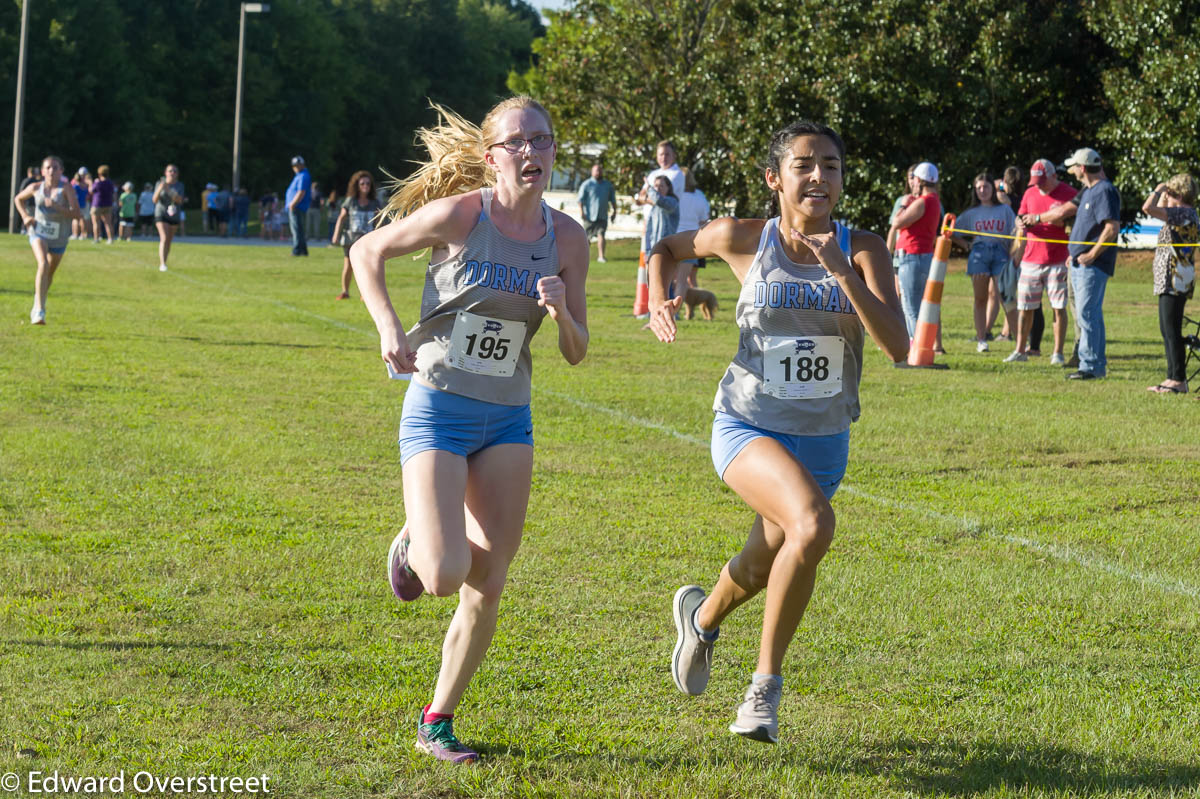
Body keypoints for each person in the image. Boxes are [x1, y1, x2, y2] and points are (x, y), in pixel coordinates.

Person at [645, 121, 907, 745]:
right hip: (747, 423)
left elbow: (898, 345)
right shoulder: (742, 237)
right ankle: (764, 692)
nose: (819, 176)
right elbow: (667, 249)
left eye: (832, 166)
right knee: (812, 525)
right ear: (775, 178)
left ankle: (702, 619)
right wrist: (661, 295)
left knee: (765, 561)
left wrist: (844, 271)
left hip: (823, 436)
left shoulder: (864, 245)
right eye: (804, 164)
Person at [350, 97, 588, 763]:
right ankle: (413, 546)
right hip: (439, 404)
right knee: (449, 571)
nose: (533, 151)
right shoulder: (464, 214)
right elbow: (368, 249)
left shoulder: (568, 238)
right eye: (518, 141)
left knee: (492, 577)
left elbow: (577, 348)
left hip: (508, 416)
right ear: (493, 157)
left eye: (542, 139)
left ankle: (438, 718)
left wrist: (564, 312)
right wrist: (388, 327)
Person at [1059, 148, 1120, 380]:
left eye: (1074, 166)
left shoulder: (1104, 191)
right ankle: (1091, 363)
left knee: (1087, 312)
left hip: (1092, 265)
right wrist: (1074, 254)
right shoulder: (1088, 191)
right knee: (1085, 313)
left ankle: (1092, 366)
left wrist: (1092, 254)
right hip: (1078, 263)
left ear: (1082, 168)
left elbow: (1111, 228)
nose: (1072, 170)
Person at [1007, 159, 1077, 364]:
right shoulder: (1030, 193)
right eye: (1036, 181)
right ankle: (1020, 350)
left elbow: (1074, 221)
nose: (1039, 185)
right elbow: (1020, 215)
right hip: (1031, 257)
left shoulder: (1069, 193)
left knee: (1058, 306)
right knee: (1025, 306)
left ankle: (1057, 352)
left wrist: (1051, 220)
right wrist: (1019, 221)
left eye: (1043, 181)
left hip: (1058, 258)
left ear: (1054, 176)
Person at [951, 172, 1024, 352]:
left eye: (986, 187)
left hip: (1001, 254)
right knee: (980, 298)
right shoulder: (971, 213)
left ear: (993, 188)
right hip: (979, 254)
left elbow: (1016, 233)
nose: (983, 191)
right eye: (979, 188)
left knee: (1006, 298)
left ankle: (1020, 344)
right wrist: (966, 245)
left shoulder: (1005, 210)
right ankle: (981, 339)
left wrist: (1014, 251)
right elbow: (952, 231)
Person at [1144, 174, 1198, 394]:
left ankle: (1179, 379)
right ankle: (1171, 376)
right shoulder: (1181, 214)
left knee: (1172, 329)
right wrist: (1166, 198)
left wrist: (1158, 190)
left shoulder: (1182, 213)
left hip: (1175, 279)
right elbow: (1159, 210)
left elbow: (1147, 208)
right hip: (1173, 278)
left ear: (1176, 193)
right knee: (1167, 329)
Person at [13, 155, 82, 325]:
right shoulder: (36, 187)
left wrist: (58, 207)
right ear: (43, 171)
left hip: (59, 238)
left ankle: (38, 297)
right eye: (48, 167)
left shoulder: (66, 189)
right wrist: (25, 216)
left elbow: (77, 214)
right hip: (38, 232)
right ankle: (40, 310)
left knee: (49, 272)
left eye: (55, 167)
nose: (51, 170)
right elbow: (18, 199)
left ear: (61, 171)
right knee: (43, 264)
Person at [888, 161, 942, 349]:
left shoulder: (922, 202)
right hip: (922, 256)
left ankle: (916, 347)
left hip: (912, 256)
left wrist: (903, 204)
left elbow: (897, 222)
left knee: (911, 308)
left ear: (919, 180)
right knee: (919, 305)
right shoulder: (935, 200)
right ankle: (922, 346)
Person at [331, 170, 382, 299]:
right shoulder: (350, 201)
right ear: (357, 186)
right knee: (348, 266)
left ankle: (364, 294)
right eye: (362, 183)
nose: (365, 186)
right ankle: (345, 291)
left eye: (368, 184)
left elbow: (378, 221)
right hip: (351, 239)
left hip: (367, 240)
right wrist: (336, 235)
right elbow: (342, 217)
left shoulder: (374, 203)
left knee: (366, 267)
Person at [638, 174, 679, 294]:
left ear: (668, 188)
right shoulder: (654, 208)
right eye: (656, 186)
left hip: (667, 250)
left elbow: (658, 200)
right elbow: (649, 232)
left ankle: (671, 312)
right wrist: (647, 251)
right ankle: (655, 312)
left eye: (661, 185)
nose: (658, 188)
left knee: (665, 285)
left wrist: (648, 186)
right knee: (653, 285)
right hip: (654, 250)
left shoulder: (672, 202)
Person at [677, 167, 712, 289]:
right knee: (688, 279)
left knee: (674, 279)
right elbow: (704, 219)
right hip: (694, 240)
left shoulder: (675, 195)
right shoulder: (699, 195)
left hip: (674, 238)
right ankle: (691, 306)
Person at [576, 163, 617, 262]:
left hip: (602, 216)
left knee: (601, 235)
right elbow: (580, 200)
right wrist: (582, 212)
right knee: (586, 238)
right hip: (589, 216)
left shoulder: (607, 185)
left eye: (599, 170)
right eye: (596, 170)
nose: (598, 172)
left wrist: (615, 212)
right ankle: (583, 257)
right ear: (592, 172)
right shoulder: (586, 184)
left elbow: (613, 200)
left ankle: (601, 257)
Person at [153, 164, 187, 272]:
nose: (172, 173)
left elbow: (179, 200)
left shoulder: (180, 185)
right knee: (164, 237)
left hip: (174, 214)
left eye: (174, 171)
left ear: (177, 174)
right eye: (170, 171)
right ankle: (162, 264)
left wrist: (168, 190)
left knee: (169, 240)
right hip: (161, 213)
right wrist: (160, 188)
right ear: (165, 173)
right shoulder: (159, 183)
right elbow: (154, 200)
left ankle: (165, 262)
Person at [286, 156, 312, 256]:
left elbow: (301, 191)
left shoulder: (303, 176)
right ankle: (303, 250)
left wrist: (293, 204)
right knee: (299, 229)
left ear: (302, 165)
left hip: (297, 206)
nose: (295, 167)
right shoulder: (299, 175)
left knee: (296, 229)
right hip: (296, 206)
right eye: (294, 166)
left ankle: (297, 250)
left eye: (297, 165)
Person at [70, 168, 91, 240]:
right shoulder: (85, 185)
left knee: (76, 220)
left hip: (77, 204)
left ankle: (75, 234)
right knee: (83, 220)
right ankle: (83, 234)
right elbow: (88, 196)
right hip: (83, 204)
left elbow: (72, 196)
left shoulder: (75, 186)